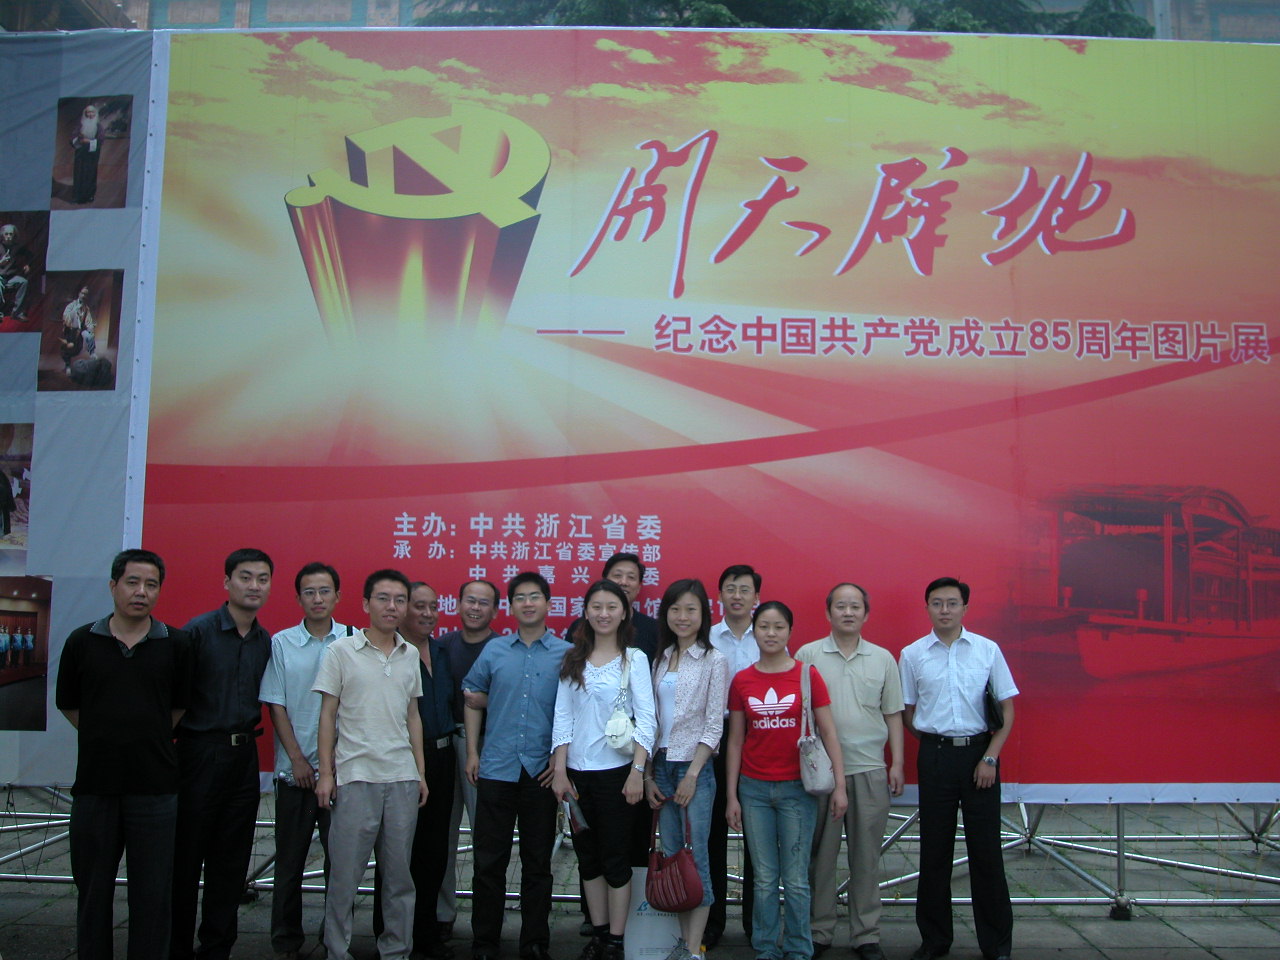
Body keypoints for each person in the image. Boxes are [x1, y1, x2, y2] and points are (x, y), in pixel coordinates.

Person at [56, 549, 193, 960]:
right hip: (96, 787)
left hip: (155, 789)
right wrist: (107, 735)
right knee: (92, 891)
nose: (141, 592)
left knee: (153, 894)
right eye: (133, 583)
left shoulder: (177, 644)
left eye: (151, 585)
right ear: (113, 586)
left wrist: (144, 735)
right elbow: (69, 704)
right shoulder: (82, 641)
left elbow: (179, 707)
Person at [899, 578, 1018, 960]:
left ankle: (996, 944)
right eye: (937, 603)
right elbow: (907, 712)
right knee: (934, 852)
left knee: (986, 852)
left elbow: (1008, 710)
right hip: (935, 757)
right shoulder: (912, 654)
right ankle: (935, 940)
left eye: (952, 603)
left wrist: (990, 757)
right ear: (927, 608)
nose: (945, 610)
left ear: (965, 608)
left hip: (980, 757)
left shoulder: (987, 650)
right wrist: (935, 744)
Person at [315, 569, 428, 960]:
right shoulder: (341, 651)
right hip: (355, 777)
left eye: (400, 600)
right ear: (365, 603)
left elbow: (413, 715)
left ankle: (396, 950)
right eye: (383, 598)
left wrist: (420, 773)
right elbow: (327, 714)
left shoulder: (410, 654)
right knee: (344, 877)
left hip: (401, 778)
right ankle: (336, 950)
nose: (391, 606)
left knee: (399, 878)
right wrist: (326, 774)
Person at [725, 601, 847, 960]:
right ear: (754, 632)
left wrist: (840, 786)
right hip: (754, 790)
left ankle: (798, 948)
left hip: (798, 789)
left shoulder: (808, 675)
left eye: (779, 627)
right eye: (764, 626)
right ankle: (765, 947)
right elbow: (735, 740)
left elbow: (829, 732)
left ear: (790, 632)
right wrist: (732, 796)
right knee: (764, 878)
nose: (771, 633)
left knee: (795, 879)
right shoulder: (742, 680)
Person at [171, 547, 274, 960]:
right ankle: (175, 948)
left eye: (262, 579)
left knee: (231, 862)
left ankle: (217, 948)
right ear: (227, 582)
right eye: (245, 577)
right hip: (199, 754)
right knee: (185, 858)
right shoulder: (197, 633)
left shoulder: (265, 640)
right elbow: (172, 695)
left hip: (243, 757)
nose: (254, 586)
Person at [463, 572, 571, 960]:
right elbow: (472, 696)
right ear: (510, 607)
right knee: (488, 862)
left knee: (537, 864)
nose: (528, 603)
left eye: (535, 596)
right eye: (520, 597)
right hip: (496, 768)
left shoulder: (566, 653)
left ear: (548, 604)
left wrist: (561, 760)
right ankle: (484, 942)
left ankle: (535, 942)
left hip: (541, 773)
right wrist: (472, 752)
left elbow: (575, 711)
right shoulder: (494, 650)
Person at [795, 584, 904, 960]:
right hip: (821, 774)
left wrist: (897, 763)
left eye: (855, 606)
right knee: (820, 858)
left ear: (866, 614)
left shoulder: (883, 659)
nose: (847, 612)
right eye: (840, 606)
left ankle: (866, 934)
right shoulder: (808, 655)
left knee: (866, 858)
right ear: (828, 613)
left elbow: (893, 714)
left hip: (870, 769)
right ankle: (819, 930)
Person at [551, 580, 657, 960]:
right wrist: (560, 771)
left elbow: (647, 720)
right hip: (577, 775)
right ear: (586, 611)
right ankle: (597, 935)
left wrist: (637, 772)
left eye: (612, 606)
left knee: (615, 858)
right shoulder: (573, 659)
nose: (603, 613)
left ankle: (616, 940)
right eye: (596, 606)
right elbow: (562, 718)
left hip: (617, 774)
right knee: (588, 859)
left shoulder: (634, 659)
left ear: (625, 612)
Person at [258, 562, 347, 960]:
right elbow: (276, 704)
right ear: (298, 598)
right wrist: (296, 759)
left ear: (337, 596)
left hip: (340, 773)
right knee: (290, 864)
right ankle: (286, 942)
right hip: (294, 773)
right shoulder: (282, 643)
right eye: (309, 592)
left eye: (324, 591)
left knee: (339, 865)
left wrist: (333, 764)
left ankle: (334, 939)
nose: (317, 598)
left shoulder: (352, 641)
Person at [644, 579, 729, 960]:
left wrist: (693, 774)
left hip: (694, 769)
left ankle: (695, 950)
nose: (683, 616)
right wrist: (647, 774)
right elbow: (650, 721)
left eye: (691, 609)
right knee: (673, 856)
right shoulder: (660, 659)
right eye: (675, 609)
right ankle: (682, 944)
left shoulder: (714, 659)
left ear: (703, 615)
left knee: (696, 858)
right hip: (661, 766)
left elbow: (714, 724)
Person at [374, 581, 456, 959]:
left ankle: (425, 933)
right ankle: (389, 934)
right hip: (402, 758)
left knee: (434, 850)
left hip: (442, 758)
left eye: (433, 606)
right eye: (419, 606)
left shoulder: (443, 652)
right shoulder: (389, 653)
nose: (427, 613)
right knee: (396, 852)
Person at [437, 579, 502, 941]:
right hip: (445, 746)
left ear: (495, 610)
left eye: (484, 603)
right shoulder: (442, 646)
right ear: (458, 604)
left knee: (486, 839)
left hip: (486, 749)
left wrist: (487, 702)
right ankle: (442, 915)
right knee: (441, 838)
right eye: (470, 601)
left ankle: (485, 922)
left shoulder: (502, 648)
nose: (476, 608)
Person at [706, 563, 762, 947]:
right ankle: (712, 922)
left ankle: (757, 923)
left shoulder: (769, 634)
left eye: (744, 589)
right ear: (720, 595)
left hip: (760, 736)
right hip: (715, 735)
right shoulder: (707, 638)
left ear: (756, 597)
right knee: (713, 832)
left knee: (757, 832)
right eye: (730, 588)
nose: (737, 595)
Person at [72, 103, 102, 204]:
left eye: (92, 112)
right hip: (81, 153)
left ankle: (89, 195)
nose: (90, 114)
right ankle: (77, 196)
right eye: (88, 112)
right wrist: (79, 139)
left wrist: (89, 141)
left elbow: (101, 139)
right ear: (85, 114)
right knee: (79, 174)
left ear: (95, 114)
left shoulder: (98, 126)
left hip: (92, 154)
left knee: (90, 173)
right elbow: (73, 137)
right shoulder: (80, 125)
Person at [0, 223, 31, 321]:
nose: (8, 236)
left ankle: (17, 313)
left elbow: (29, 254)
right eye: (6, 234)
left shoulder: (17, 247)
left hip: (11, 277)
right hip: (0, 277)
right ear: (2, 235)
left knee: (23, 282)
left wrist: (27, 264)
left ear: (14, 235)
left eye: (11, 234)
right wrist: (1, 262)